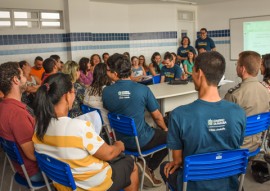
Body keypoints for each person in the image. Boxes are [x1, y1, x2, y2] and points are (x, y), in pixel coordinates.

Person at [32, 73, 139, 191]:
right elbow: (108, 154)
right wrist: (119, 146)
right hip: (94, 185)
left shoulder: (39, 128)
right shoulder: (78, 127)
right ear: (67, 96)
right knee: (131, 163)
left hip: (64, 185)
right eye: (73, 92)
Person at [160, 51, 246, 191]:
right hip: (230, 184)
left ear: (199, 73)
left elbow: (178, 161)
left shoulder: (178, 115)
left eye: (192, 71)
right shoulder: (239, 112)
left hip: (193, 185)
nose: (192, 75)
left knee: (165, 167)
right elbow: (236, 147)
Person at [102, 53, 168, 187]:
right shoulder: (142, 89)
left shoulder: (106, 92)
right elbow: (157, 117)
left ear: (115, 73)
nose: (106, 72)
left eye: (108, 70)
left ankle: (140, 162)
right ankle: (148, 166)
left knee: (149, 129)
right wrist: (166, 130)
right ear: (130, 70)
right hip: (141, 141)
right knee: (171, 136)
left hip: (120, 141)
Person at [0, 62, 43, 182]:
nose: (26, 78)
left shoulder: (3, 106)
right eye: (23, 75)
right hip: (34, 172)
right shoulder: (17, 114)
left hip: (20, 168)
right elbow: (33, 155)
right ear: (15, 80)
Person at [224, 51, 270, 152]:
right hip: (257, 145)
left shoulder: (234, 95)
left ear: (243, 69)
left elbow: (223, 125)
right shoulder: (266, 90)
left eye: (237, 64)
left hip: (238, 148)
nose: (236, 67)